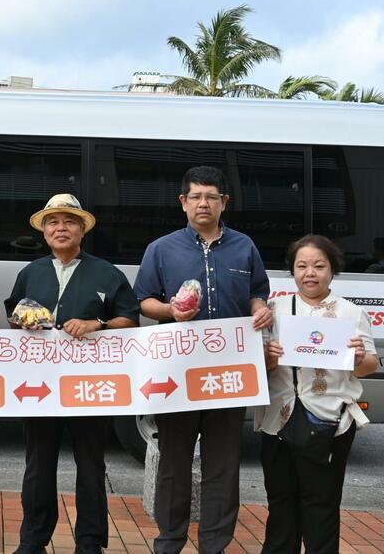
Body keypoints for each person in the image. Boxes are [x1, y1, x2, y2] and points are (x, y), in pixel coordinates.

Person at [133, 166, 273, 554]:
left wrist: (261, 309)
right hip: (177, 373)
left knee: (223, 466)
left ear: (223, 202)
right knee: (174, 463)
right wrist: (170, 311)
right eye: (195, 196)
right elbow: (144, 301)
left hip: (230, 372)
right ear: (183, 203)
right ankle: (169, 540)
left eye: (211, 196)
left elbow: (257, 294)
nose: (203, 203)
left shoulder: (244, 246)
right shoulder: (161, 249)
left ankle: (214, 543)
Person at [4, 194, 140, 554]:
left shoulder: (107, 273)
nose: (60, 228)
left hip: (89, 385)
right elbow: (13, 316)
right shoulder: (30, 273)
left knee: (92, 466)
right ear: (44, 232)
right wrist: (25, 323)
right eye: (53, 222)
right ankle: (32, 540)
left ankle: (90, 543)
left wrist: (97, 323)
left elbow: (130, 320)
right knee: (37, 465)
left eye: (69, 222)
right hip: (40, 384)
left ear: (82, 230)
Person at [257, 235, 378, 553]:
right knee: (280, 503)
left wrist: (358, 358)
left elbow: (369, 366)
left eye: (319, 266)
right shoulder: (275, 309)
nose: (310, 273)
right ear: (292, 271)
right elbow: (260, 368)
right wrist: (269, 357)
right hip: (278, 421)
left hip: (331, 421)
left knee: (322, 506)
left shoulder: (350, 313)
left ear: (332, 269)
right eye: (302, 266)